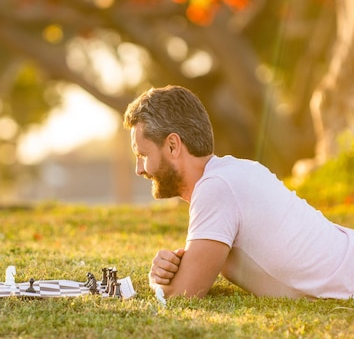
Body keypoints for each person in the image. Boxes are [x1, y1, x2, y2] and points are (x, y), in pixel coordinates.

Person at [123, 85, 354, 300]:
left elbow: (182, 293)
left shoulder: (217, 188)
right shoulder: (234, 172)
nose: (139, 169)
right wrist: (178, 264)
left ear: (173, 145)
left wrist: (156, 280)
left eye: (143, 155)